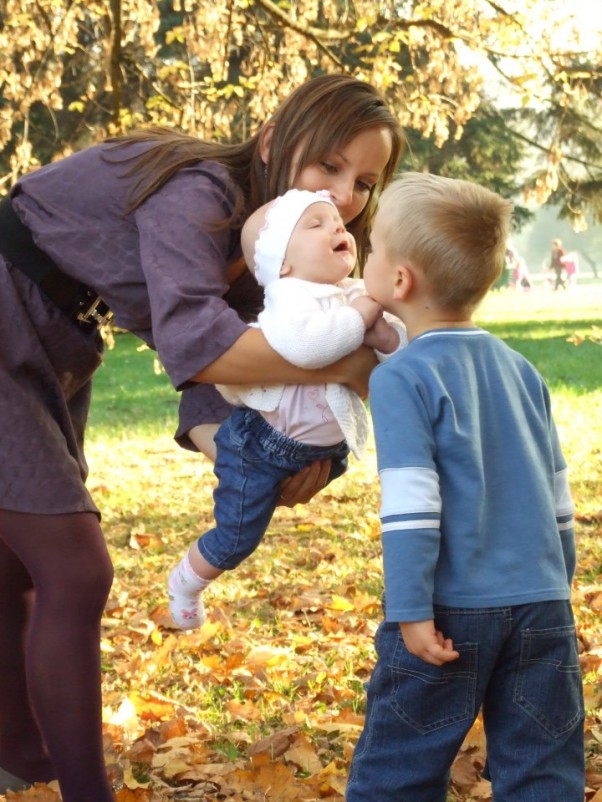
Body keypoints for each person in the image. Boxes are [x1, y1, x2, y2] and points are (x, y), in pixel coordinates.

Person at [0, 74, 404, 798]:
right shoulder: (205, 195)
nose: (345, 196)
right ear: (278, 141)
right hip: (6, 305)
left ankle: (22, 760)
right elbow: (201, 344)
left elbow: (224, 375)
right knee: (73, 567)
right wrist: (348, 364)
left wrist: (263, 463)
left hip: (58, 335)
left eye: (365, 182)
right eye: (330, 166)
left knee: (15, 567)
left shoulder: (275, 248)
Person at [345, 173, 585, 802]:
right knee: (543, 769)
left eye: (370, 250)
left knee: (398, 769)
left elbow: (411, 507)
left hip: (449, 610)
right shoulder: (522, 369)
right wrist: (559, 578)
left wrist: (410, 610)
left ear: (399, 282)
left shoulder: (401, 378)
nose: (362, 257)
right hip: (542, 604)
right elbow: (557, 492)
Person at [168, 189, 405, 629]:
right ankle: (187, 580)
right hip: (260, 446)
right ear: (283, 263)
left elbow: (396, 355)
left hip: (323, 450)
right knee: (237, 536)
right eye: (315, 225)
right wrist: (361, 317)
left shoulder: (351, 291)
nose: (337, 227)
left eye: (337, 222)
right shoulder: (289, 296)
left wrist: (388, 340)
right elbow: (309, 346)